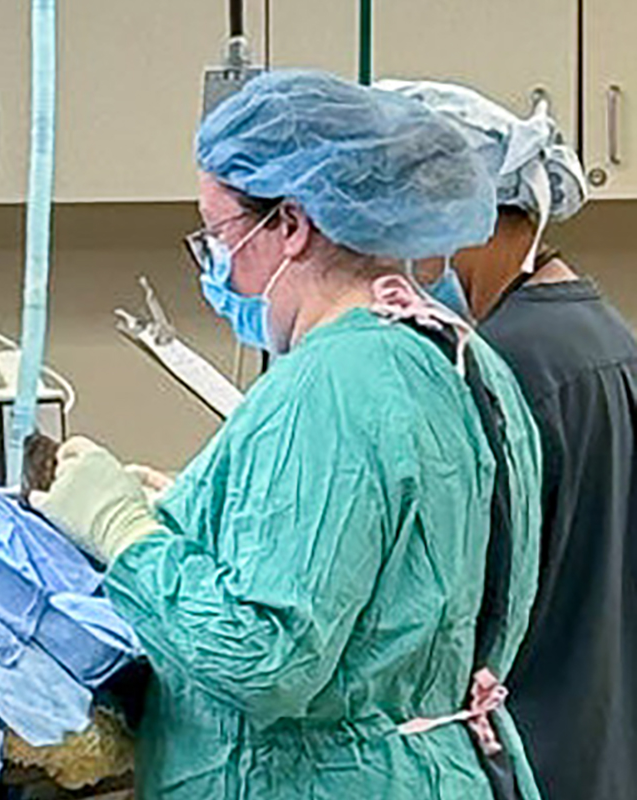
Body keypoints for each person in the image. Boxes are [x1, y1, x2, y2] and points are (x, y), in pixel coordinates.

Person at [32, 71, 544, 799]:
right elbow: (392, 576)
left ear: (291, 225)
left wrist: (126, 535)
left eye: (218, 234)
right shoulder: (459, 354)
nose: (215, 265)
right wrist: (208, 517)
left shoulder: (331, 383)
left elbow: (263, 659)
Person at [383, 80, 632, 800]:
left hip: (528, 757)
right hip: (598, 751)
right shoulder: (600, 336)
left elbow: (432, 613)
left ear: (459, 218)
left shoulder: (500, 370)